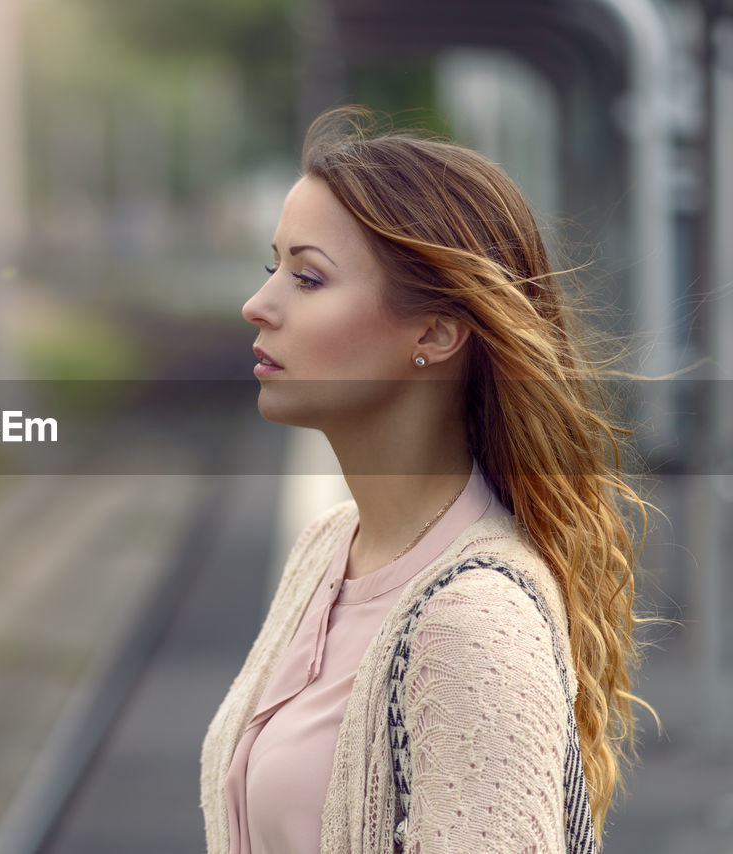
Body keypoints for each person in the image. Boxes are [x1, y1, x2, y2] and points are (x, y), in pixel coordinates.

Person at [199, 107, 652, 853]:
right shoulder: (325, 550)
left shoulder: (472, 624)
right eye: (271, 267)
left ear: (436, 334)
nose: (259, 305)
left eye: (308, 277)